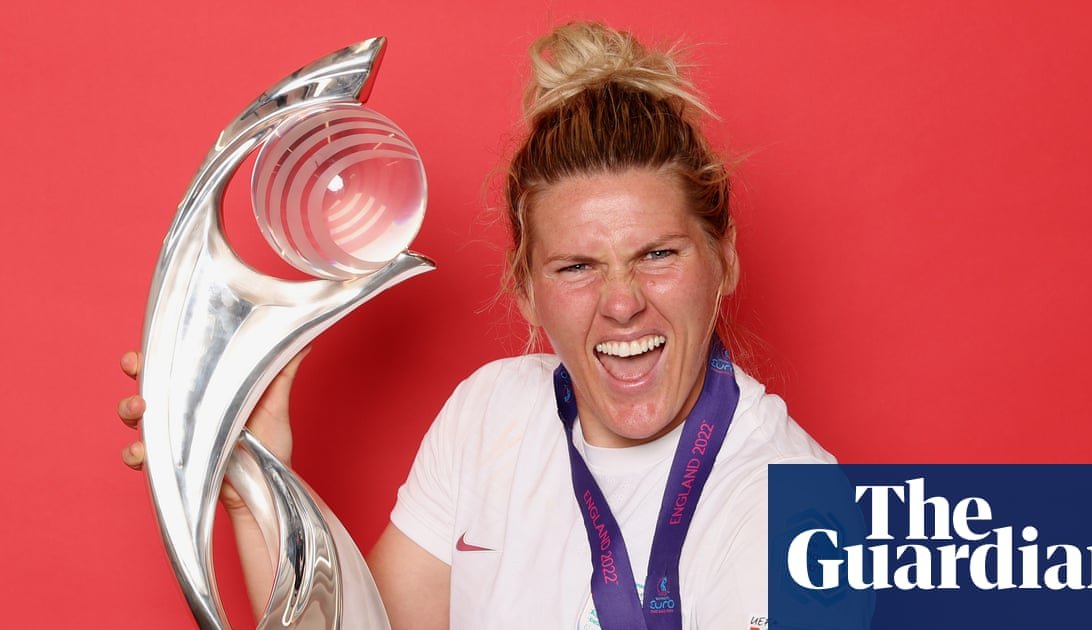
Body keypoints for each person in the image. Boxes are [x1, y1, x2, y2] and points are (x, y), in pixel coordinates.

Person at [118, 22, 836, 629]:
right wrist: (257, 487)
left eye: (657, 255)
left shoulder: (807, 516)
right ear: (525, 290)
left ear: (724, 260)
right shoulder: (490, 413)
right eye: (576, 267)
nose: (622, 303)